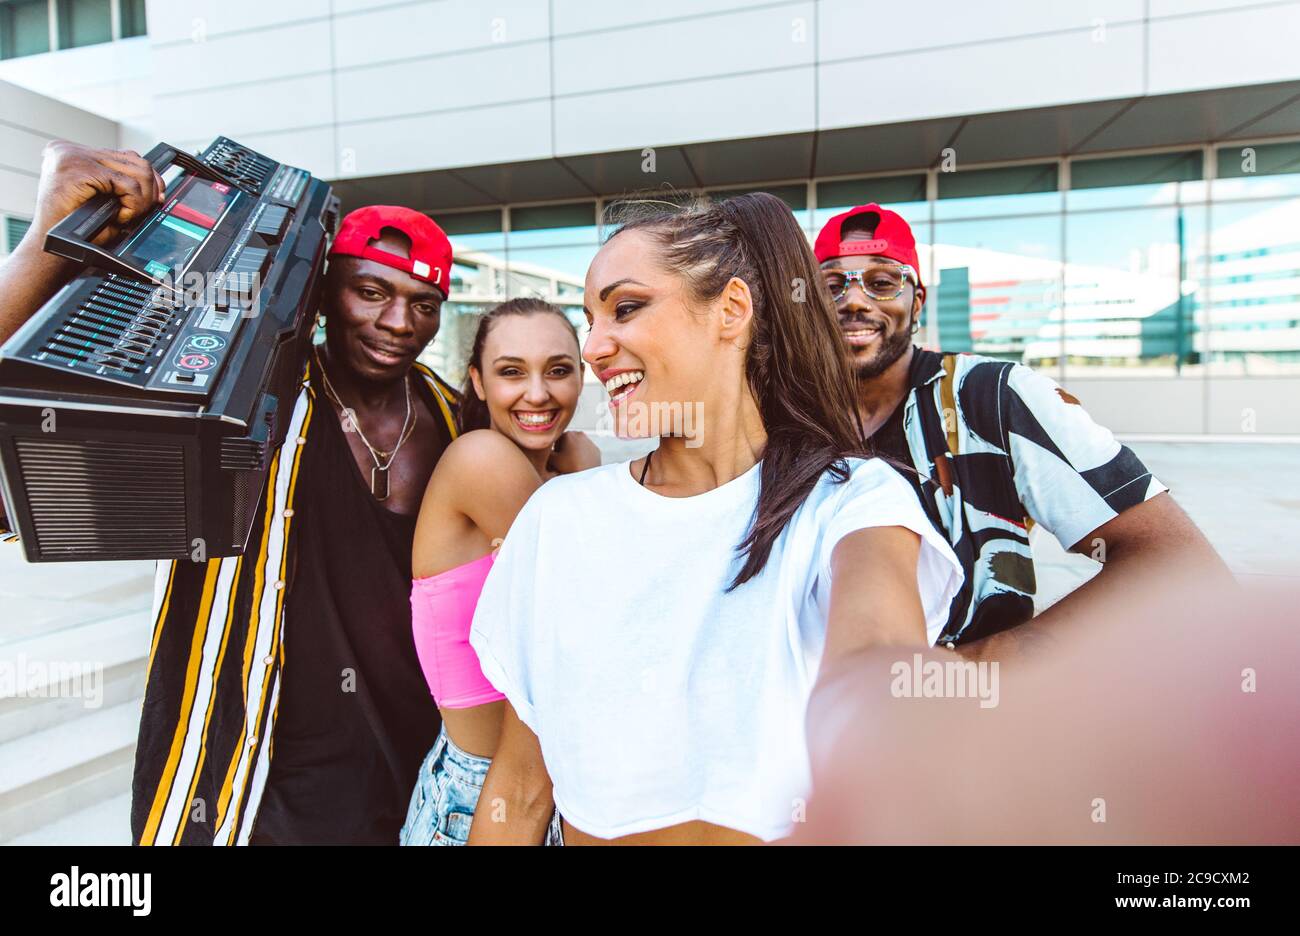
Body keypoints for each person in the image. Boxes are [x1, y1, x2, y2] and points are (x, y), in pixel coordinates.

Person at [0, 140, 471, 844]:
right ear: (321, 290)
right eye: (371, 292)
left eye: (423, 304)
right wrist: (44, 240)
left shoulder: (459, 420)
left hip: (421, 781)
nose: (399, 324)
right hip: (257, 784)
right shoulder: (244, 402)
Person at [465, 193, 965, 846]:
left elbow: (878, 663)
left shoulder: (850, 502)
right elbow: (522, 791)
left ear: (731, 311)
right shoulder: (559, 519)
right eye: (589, 319)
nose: (592, 347)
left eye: (625, 308)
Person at [813, 203, 1231, 656]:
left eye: (882, 282)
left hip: (967, 713)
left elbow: (1178, 563)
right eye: (831, 285)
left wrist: (985, 663)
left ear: (917, 300)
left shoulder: (991, 397)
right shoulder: (788, 418)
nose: (853, 301)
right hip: (818, 712)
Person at [401, 298, 599, 846]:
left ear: (581, 377)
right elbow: (599, 598)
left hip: (539, 793)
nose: (537, 394)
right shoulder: (480, 459)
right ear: (478, 383)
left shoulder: (550, 478)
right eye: (511, 372)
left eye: (558, 370)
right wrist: (585, 475)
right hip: (479, 799)